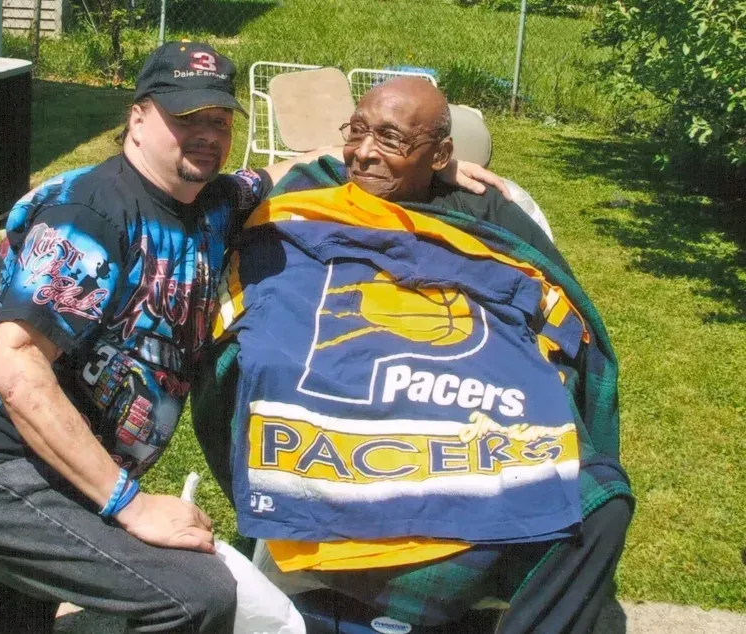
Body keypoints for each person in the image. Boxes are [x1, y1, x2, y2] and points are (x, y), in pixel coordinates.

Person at [0, 41, 507, 633]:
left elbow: (291, 169)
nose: (207, 134)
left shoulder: (210, 201)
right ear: (137, 117)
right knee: (195, 597)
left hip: (41, 463)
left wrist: (435, 165)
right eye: (186, 118)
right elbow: (15, 368)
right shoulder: (93, 215)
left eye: (219, 118)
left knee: (6, 625)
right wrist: (129, 504)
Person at [192, 77, 633, 633]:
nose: (365, 152)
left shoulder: (488, 212)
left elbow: (555, 298)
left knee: (597, 501)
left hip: (466, 396)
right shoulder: (306, 192)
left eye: (392, 140)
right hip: (341, 389)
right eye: (357, 130)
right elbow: (228, 226)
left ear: (441, 154)